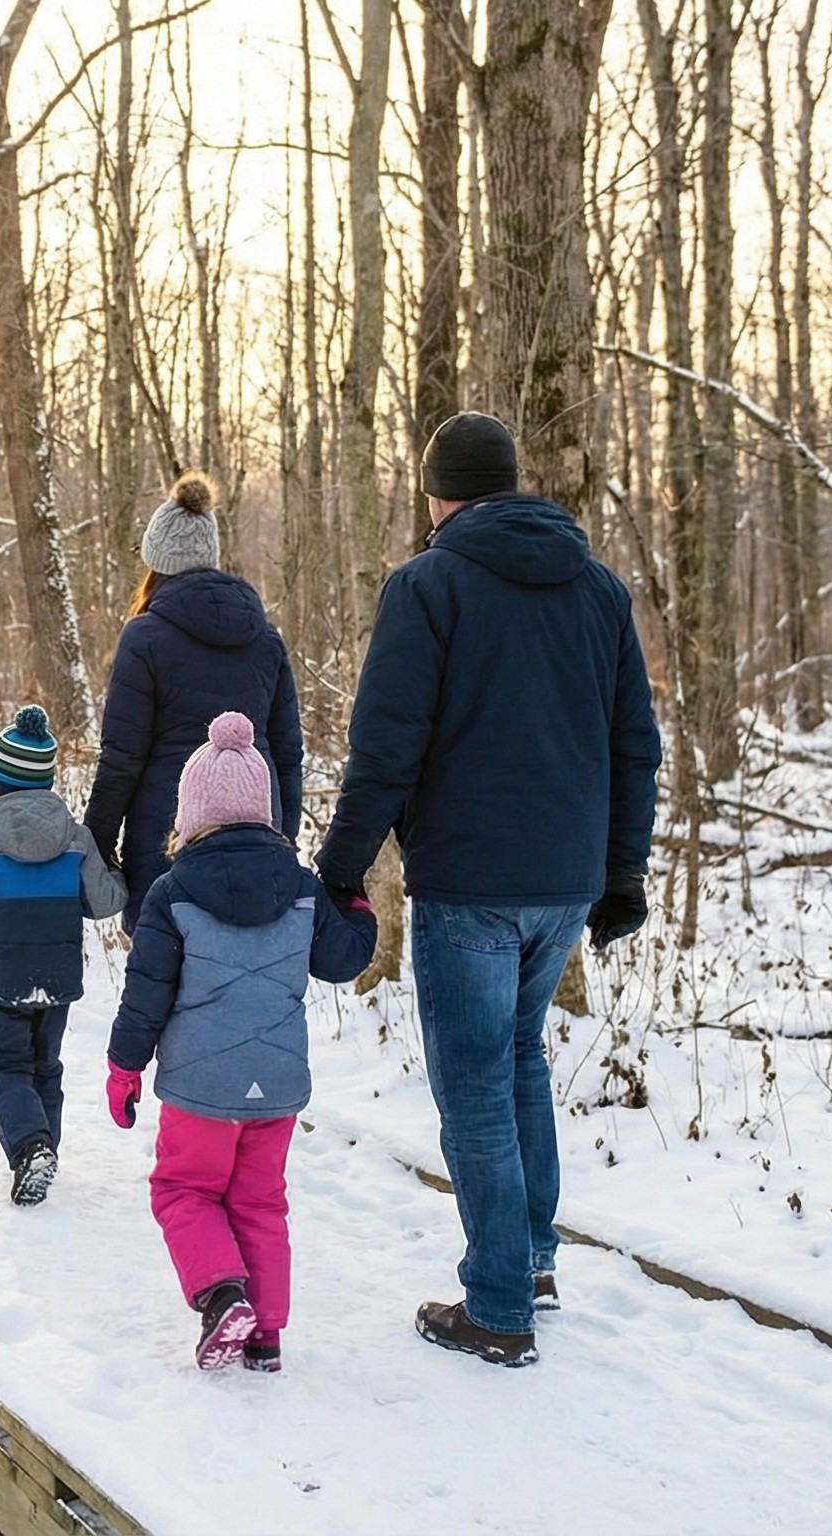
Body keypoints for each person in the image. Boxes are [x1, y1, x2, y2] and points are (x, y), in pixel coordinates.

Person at [315, 411, 661, 1369]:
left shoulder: (427, 587)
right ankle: (532, 1261)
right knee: (519, 1061)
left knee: (474, 1090)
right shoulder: (599, 590)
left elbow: (384, 753)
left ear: (438, 495)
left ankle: (500, 1307)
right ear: (510, 484)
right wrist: (622, 872)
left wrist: (336, 873)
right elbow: (636, 744)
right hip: (563, 883)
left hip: (469, 881)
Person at [105, 714, 375, 1372]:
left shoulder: (171, 895)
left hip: (201, 1088)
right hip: (276, 1088)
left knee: (183, 1190)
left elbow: (146, 994)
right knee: (259, 1200)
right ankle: (268, 1335)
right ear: (265, 812)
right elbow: (344, 961)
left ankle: (223, 1295)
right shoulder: (304, 889)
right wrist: (359, 907)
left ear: (191, 813)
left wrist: (123, 1067)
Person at [85, 472, 306, 928]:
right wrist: (284, 837)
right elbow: (288, 755)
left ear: (156, 565)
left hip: (168, 839)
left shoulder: (143, 637)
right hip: (258, 835)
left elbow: (122, 757)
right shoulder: (266, 639)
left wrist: (97, 841)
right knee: (248, 978)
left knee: (164, 978)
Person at [0, 705, 128, 1206]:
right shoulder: (77, 841)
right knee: (45, 1066)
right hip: (57, 980)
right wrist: (121, 871)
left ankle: (31, 1149)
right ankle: (44, 1153)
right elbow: (103, 902)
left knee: (1, 1068)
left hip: (0, 982)